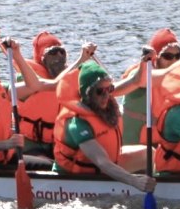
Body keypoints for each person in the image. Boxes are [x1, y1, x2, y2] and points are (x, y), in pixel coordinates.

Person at [55, 62, 154, 193]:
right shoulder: (77, 123)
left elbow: (136, 81)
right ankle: (140, 184)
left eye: (109, 89)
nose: (106, 95)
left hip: (108, 165)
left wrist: (144, 61)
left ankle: (155, 184)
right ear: (87, 93)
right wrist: (135, 181)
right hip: (79, 174)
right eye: (100, 91)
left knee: (149, 153)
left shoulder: (106, 105)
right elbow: (102, 162)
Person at [119, 28, 180, 145]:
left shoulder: (178, 77)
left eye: (177, 56)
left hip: (162, 140)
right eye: (168, 56)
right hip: (136, 144)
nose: (173, 60)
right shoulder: (141, 74)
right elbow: (165, 74)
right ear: (155, 57)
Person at [17, 32, 94, 158]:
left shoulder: (74, 78)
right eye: (52, 53)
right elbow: (56, 84)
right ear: (42, 58)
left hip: (59, 143)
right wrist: (81, 59)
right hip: (31, 145)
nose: (59, 56)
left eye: (62, 52)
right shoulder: (27, 80)